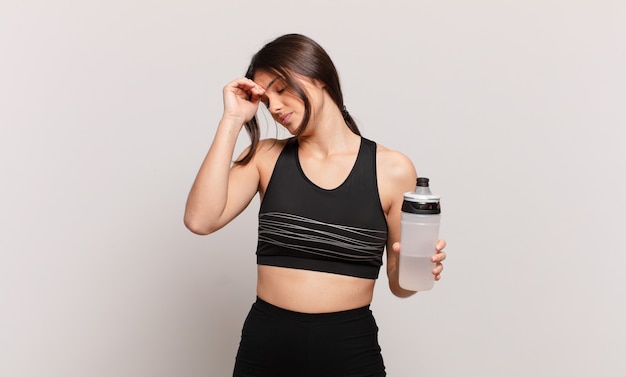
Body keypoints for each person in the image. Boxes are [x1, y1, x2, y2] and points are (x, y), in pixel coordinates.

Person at [184, 33, 447, 377]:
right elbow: (200, 220)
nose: (274, 107)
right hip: (266, 349)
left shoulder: (392, 168)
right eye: (267, 100)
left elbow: (400, 285)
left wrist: (419, 268)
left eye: (280, 89)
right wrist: (232, 121)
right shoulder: (266, 157)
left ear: (318, 76)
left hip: (350, 350)